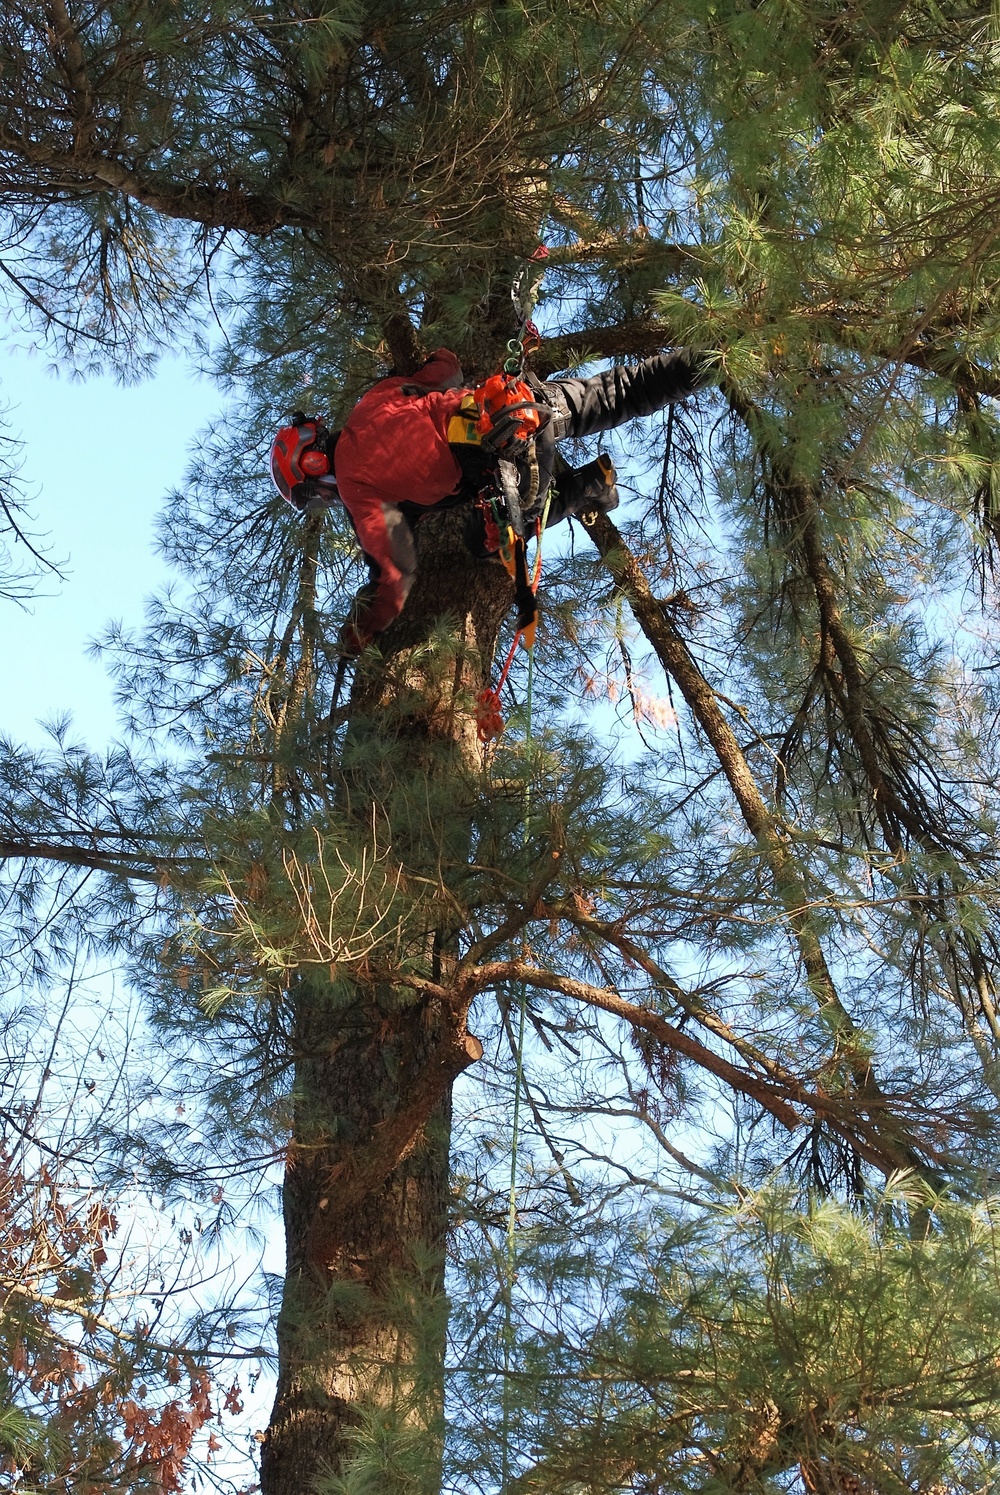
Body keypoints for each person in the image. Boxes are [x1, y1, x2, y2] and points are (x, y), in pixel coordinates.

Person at [270, 347, 709, 653]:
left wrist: (361, 630)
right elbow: (446, 370)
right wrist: (428, 362)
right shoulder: (372, 402)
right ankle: (712, 359)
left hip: (513, 474)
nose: (328, 500)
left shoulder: (355, 489)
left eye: (315, 495)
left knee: (484, 540)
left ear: (313, 471)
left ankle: (589, 486)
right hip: (517, 405)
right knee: (624, 389)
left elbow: (396, 572)